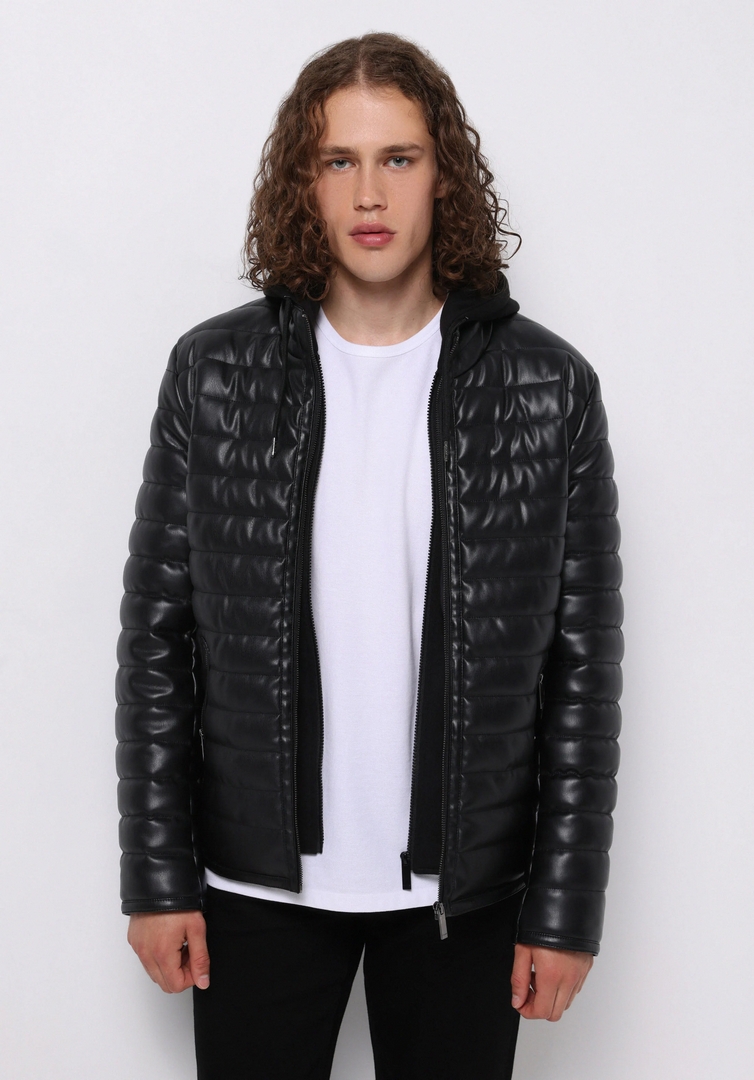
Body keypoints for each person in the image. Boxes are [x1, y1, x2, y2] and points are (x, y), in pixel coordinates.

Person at [116, 31, 623, 1080]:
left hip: (464, 900)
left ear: (444, 175)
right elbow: (157, 641)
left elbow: (582, 672)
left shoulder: (548, 388)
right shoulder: (213, 373)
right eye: (337, 160)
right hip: (254, 889)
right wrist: (158, 878)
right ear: (303, 183)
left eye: (399, 157)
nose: (369, 194)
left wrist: (563, 910)